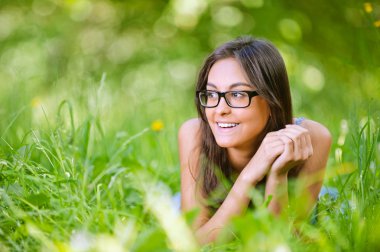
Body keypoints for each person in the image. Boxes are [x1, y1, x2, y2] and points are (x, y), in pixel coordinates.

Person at [178, 36, 332, 245]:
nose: (220, 110)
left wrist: (278, 174)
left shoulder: (312, 138)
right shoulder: (194, 132)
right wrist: (250, 174)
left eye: (238, 94)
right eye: (212, 94)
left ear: (271, 101)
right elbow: (196, 244)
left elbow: (281, 243)